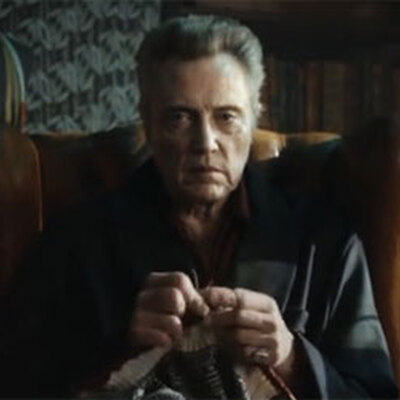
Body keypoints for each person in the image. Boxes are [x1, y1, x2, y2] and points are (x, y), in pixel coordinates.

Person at [0, 15, 396, 399]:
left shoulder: (326, 243)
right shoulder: (75, 242)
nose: (205, 143)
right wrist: (119, 351)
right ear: (148, 122)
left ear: (255, 118)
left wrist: (293, 358)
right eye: (180, 118)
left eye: (226, 117)